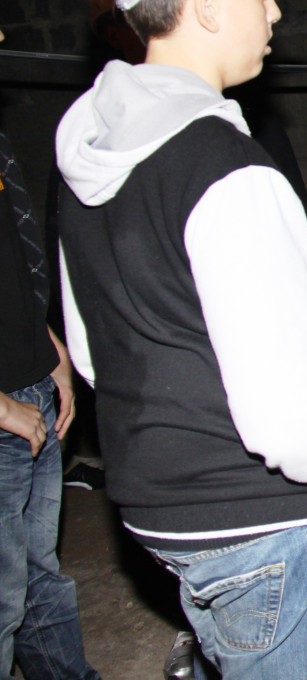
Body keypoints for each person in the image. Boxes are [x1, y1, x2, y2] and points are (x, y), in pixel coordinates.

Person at [56, 0, 307, 680]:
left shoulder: (88, 146)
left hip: (157, 503)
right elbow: (287, 423)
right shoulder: (227, 169)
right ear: (208, 3)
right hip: (264, 522)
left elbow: (99, 352)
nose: (275, 10)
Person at [0, 108, 101, 678]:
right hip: (5, 410)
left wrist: (51, 350)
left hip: (31, 380)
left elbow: (14, 263)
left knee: (39, 577)